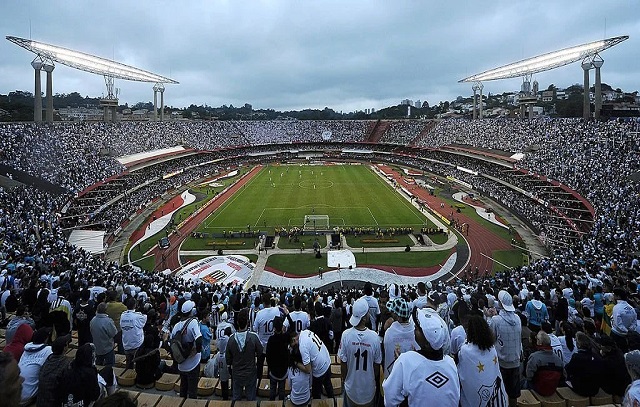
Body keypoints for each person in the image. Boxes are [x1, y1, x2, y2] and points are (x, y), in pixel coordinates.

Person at [382, 308, 460, 406]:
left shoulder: (406, 361)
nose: (415, 328)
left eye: (418, 329)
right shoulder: (451, 363)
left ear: (427, 343)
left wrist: (401, 367)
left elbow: (390, 399)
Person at [338, 297, 382, 407]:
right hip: (368, 390)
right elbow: (376, 366)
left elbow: (343, 363)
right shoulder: (374, 337)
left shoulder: (346, 335)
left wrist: (346, 380)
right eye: (367, 312)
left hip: (351, 388)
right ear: (363, 318)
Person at [458, 315, 508, 407]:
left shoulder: (465, 351)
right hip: (496, 398)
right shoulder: (492, 348)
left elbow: (463, 373)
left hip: (475, 395)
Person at [489, 290, 522, 407]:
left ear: (501, 304)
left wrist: (491, 317)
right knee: (513, 394)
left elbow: (491, 339)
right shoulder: (518, 318)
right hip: (515, 361)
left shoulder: (495, 320)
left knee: (500, 392)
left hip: (501, 362)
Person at [226, 308, 263, 401]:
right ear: (248, 322)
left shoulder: (231, 339)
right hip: (250, 373)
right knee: (251, 398)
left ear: (237, 323)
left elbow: (228, 359)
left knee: (236, 398)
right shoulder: (254, 337)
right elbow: (260, 352)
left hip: (237, 373)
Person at [289, 327, 334, 399]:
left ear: (294, 340)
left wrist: (295, 363)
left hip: (320, 369)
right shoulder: (305, 332)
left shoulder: (302, 346)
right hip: (327, 359)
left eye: (292, 345)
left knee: (316, 393)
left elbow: (308, 369)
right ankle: (333, 401)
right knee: (328, 384)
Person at [170, 300, 203, 399]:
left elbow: (171, 343)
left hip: (181, 364)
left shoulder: (176, 326)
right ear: (191, 311)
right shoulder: (193, 322)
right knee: (192, 390)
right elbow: (199, 339)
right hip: (193, 363)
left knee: (183, 388)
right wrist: (197, 350)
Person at [383, 297, 418, 380]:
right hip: (410, 377)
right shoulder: (414, 331)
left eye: (393, 312)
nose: (391, 313)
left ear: (398, 316)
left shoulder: (390, 332)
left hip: (392, 377)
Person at [18, 327, 53, 405]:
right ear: (46, 339)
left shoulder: (27, 348)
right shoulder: (48, 350)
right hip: (27, 396)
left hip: (14, 392)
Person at [253, 292, 281, 386]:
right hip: (272, 344)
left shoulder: (260, 314)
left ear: (263, 303)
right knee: (271, 366)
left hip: (261, 344)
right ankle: (269, 384)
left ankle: (258, 383)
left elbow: (254, 329)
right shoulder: (276, 310)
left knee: (260, 366)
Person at [37, 334, 72, 407]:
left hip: (41, 401)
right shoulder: (66, 363)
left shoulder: (48, 359)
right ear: (65, 348)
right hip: (54, 402)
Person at [525, 331, 564, 396]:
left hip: (537, 388)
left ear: (539, 342)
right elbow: (563, 376)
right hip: (552, 388)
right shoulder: (558, 360)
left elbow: (529, 376)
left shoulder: (534, 357)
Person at [565, 332, 601, 397]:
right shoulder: (596, 356)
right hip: (595, 389)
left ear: (578, 344)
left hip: (582, 389)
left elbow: (568, 370)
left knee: (566, 379)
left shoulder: (577, 357)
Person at [266, 316, 290, 401]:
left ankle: (272, 403)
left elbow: (268, 356)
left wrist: (270, 368)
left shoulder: (271, 339)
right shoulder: (285, 337)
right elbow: (293, 327)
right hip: (283, 369)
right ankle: (280, 402)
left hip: (274, 370)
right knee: (281, 390)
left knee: (273, 389)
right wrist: (288, 315)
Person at [120, 297, 147, 369]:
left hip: (126, 343)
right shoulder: (137, 316)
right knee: (138, 365)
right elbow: (145, 319)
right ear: (135, 305)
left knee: (128, 365)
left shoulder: (122, 315)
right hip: (136, 344)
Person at [611, 287, 637, 353]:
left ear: (618, 296)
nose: (613, 297)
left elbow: (618, 323)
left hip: (617, 334)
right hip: (628, 334)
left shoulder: (616, 308)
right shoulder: (631, 308)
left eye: (614, 295)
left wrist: (626, 331)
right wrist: (630, 330)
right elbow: (634, 321)